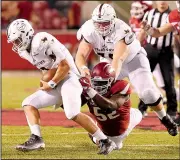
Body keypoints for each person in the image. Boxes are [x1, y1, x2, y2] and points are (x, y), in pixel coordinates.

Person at [6, 18, 116, 155]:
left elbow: (65, 66)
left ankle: (105, 140)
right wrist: (45, 81)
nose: (16, 44)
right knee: (28, 103)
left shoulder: (42, 40)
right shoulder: (24, 52)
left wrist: (50, 84)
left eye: (17, 40)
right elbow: (46, 69)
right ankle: (36, 138)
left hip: (70, 78)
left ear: (26, 34)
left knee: (72, 113)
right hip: (58, 81)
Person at [75, 3, 178, 136]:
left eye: (105, 23)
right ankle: (101, 126)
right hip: (107, 60)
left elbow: (119, 58)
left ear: (113, 20)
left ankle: (164, 118)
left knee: (148, 94)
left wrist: (110, 79)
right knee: (99, 93)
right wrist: (83, 69)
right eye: (98, 23)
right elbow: (81, 55)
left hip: (133, 60)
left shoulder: (121, 29)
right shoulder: (88, 28)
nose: (101, 26)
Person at [79, 62, 142, 150]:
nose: (98, 86)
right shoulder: (89, 88)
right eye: (95, 82)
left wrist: (88, 90)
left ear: (112, 80)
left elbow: (110, 107)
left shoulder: (120, 86)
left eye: (102, 83)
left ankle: (95, 136)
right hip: (114, 134)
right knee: (116, 146)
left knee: (137, 113)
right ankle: (97, 137)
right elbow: (74, 106)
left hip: (120, 124)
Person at [140, 1, 180, 125]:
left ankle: (172, 110)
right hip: (151, 49)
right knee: (146, 79)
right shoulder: (175, 16)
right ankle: (142, 108)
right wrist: (148, 29)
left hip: (166, 51)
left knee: (170, 82)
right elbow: (158, 32)